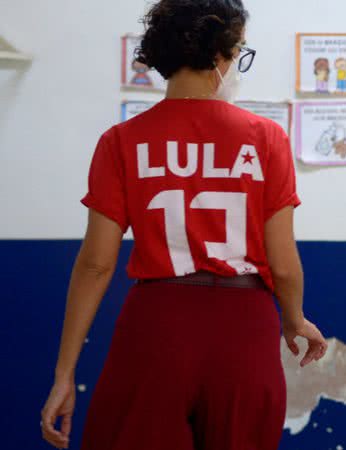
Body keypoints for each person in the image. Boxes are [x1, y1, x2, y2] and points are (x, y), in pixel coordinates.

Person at [39, 1, 327, 449]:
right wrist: (293, 320)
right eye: (240, 53)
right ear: (220, 54)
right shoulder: (267, 137)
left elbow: (96, 265)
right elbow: (284, 264)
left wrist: (64, 373)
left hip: (156, 327)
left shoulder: (121, 141)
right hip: (244, 327)